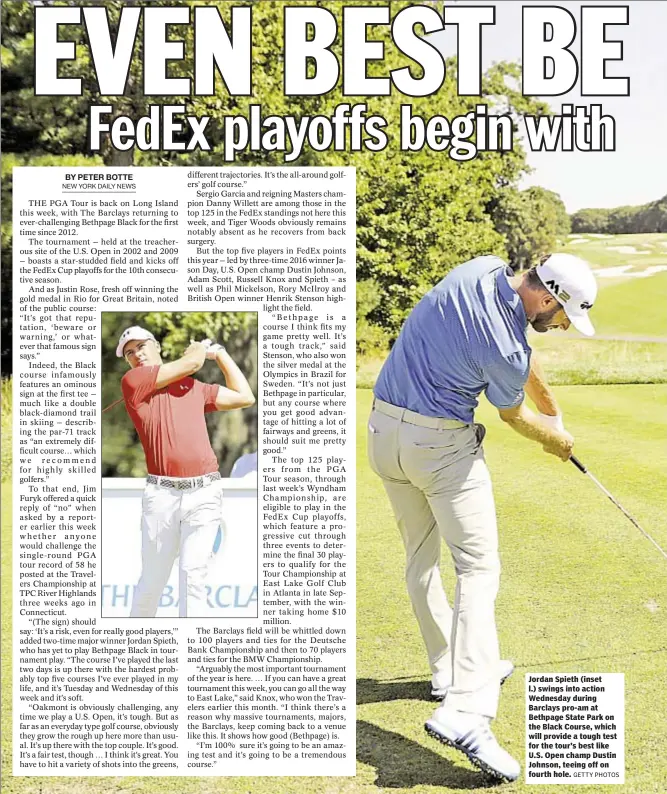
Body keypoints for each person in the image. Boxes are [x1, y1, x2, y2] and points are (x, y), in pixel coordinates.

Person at [368, 253, 597, 781]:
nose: (561, 326)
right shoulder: (508, 351)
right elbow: (513, 414)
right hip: (440, 446)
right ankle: (467, 710)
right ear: (546, 298)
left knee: (420, 562)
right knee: (478, 568)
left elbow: (524, 358)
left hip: (383, 434)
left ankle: (449, 671)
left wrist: (552, 404)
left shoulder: (478, 268)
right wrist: (556, 439)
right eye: (561, 316)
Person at [116, 325, 255, 618]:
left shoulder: (192, 387)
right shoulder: (133, 381)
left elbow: (245, 397)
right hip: (162, 496)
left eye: (141, 346)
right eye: (129, 352)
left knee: (193, 580)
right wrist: (199, 350)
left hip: (204, 492)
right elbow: (192, 362)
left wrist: (221, 355)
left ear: (157, 347)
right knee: (152, 583)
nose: (136, 354)